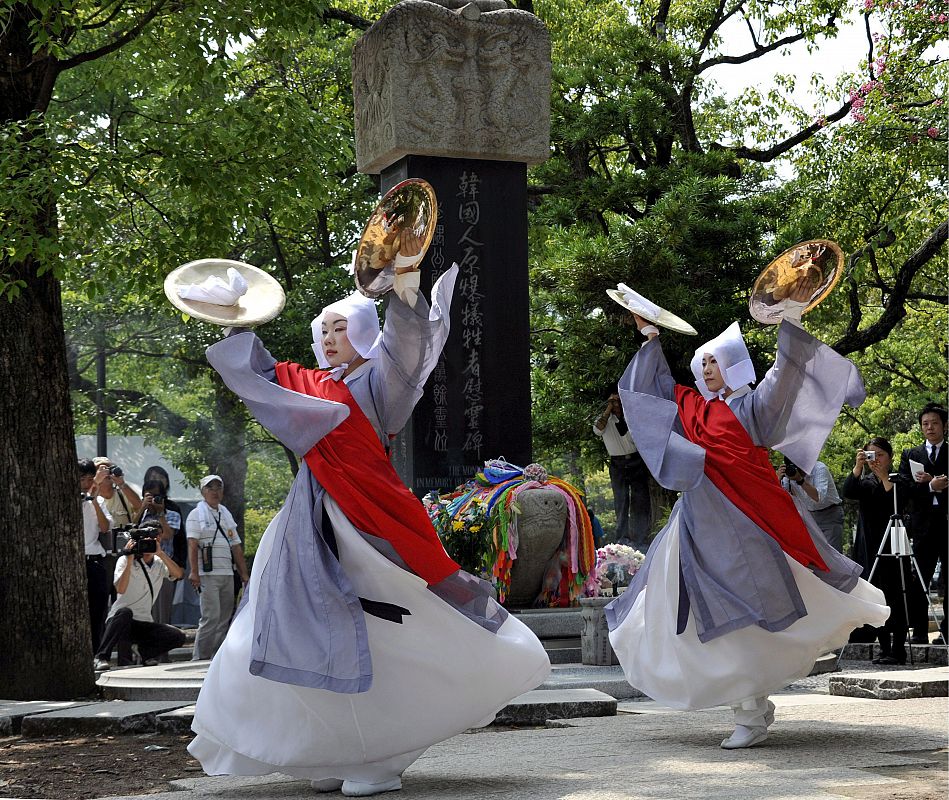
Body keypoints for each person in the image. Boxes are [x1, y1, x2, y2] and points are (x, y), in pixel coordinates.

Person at [186, 258, 549, 796]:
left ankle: (380, 756)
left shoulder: (381, 382)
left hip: (370, 523)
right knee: (294, 624)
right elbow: (258, 377)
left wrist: (403, 298)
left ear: (363, 332)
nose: (331, 338)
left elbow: (407, 348)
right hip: (310, 520)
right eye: (324, 329)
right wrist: (236, 322)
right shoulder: (309, 385)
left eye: (342, 328)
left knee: (383, 634)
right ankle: (332, 749)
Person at [605, 293, 888, 751]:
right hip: (697, 529)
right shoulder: (695, 409)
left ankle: (751, 711)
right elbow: (649, 395)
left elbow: (783, 380)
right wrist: (650, 334)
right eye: (705, 361)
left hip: (746, 528)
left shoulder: (754, 409)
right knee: (697, 617)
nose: (708, 367)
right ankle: (750, 705)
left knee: (744, 619)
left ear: (735, 364)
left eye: (718, 360)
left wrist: (791, 324)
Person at [841, 439, 909, 664]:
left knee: (896, 596)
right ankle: (884, 648)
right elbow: (849, 491)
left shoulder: (899, 479)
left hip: (892, 544)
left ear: (890, 456)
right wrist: (858, 467)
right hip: (869, 544)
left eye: (879, 455)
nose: (875, 460)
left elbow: (897, 502)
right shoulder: (866, 481)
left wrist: (884, 478)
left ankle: (898, 649)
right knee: (875, 597)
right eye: (870, 455)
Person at [94, 526, 186, 669]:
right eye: (144, 542)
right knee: (125, 612)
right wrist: (130, 559)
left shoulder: (159, 562)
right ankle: (101, 657)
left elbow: (179, 574)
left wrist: (161, 553)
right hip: (121, 622)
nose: (147, 546)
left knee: (178, 636)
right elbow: (120, 589)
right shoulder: (125, 560)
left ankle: (145, 653)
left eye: (152, 541)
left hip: (144, 622)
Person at [897, 403, 948, 645]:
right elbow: (904, 489)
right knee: (920, 578)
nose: (930, 427)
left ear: (945, 426)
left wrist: (941, 484)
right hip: (922, 525)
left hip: (946, 523)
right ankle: (918, 631)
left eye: (935, 423)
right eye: (925, 424)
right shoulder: (911, 454)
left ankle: (946, 632)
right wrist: (929, 486)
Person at [187, 475, 250, 661]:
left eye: (218, 488)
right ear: (203, 492)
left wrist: (244, 575)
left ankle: (216, 659)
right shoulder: (196, 514)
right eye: (210, 488)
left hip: (227, 572)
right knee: (210, 617)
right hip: (207, 573)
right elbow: (192, 544)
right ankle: (199, 658)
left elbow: (236, 545)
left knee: (224, 618)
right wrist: (194, 572)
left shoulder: (225, 513)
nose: (215, 491)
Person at [594, 391, 651, 549]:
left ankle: (640, 538)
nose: (616, 404)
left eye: (618, 401)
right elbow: (597, 429)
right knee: (621, 500)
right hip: (617, 463)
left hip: (636, 460)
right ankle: (622, 538)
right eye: (613, 401)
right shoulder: (604, 420)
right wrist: (608, 409)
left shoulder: (631, 417)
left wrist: (623, 409)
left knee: (640, 501)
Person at [135, 477, 181, 630]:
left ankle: (161, 652)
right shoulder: (141, 515)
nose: (154, 499)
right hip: (140, 568)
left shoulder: (172, 515)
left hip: (163, 568)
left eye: (157, 496)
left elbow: (167, 535)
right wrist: (142, 508)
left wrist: (161, 513)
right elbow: (129, 530)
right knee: (141, 614)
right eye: (150, 496)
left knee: (162, 616)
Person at [777, 458, 845, 552]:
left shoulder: (819, 468)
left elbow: (818, 498)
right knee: (814, 554)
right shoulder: (788, 475)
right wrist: (777, 479)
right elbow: (782, 500)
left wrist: (800, 480)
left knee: (833, 553)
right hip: (809, 516)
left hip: (829, 514)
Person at [80, 458, 112, 652]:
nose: (87, 483)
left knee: (98, 610)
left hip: (94, 560)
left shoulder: (98, 500)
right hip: (76, 562)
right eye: (82, 478)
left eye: (90, 478)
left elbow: (105, 526)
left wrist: (95, 501)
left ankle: (97, 652)